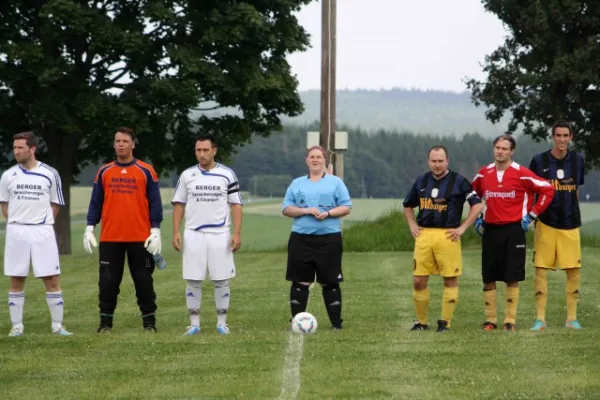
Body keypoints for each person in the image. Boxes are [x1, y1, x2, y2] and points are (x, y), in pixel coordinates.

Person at [84, 127, 163, 333]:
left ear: (133, 144)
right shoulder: (104, 171)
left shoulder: (146, 171)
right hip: (111, 237)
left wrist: (156, 230)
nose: (121, 144)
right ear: (114, 144)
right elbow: (95, 203)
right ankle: (105, 324)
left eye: (125, 141)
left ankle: (149, 323)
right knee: (108, 282)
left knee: (143, 280)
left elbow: (155, 203)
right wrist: (89, 227)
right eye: (117, 141)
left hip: (140, 238)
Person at [472, 134, 555, 331]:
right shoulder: (484, 173)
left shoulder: (522, 173)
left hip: (514, 230)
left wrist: (532, 214)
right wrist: (477, 216)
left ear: (512, 151)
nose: (500, 152)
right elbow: (472, 193)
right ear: (494, 149)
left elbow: (548, 189)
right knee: (489, 277)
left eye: (504, 149)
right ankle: (490, 320)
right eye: (497, 148)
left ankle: (510, 320)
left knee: (512, 276)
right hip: (490, 229)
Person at [403, 146, 483, 332]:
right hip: (424, 236)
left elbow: (477, 205)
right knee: (418, 280)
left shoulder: (459, 181)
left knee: (450, 280)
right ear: (428, 161)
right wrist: (412, 225)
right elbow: (407, 206)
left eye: (440, 161)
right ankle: (421, 322)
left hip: (448, 236)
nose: (437, 165)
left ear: (447, 161)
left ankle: (445, 322)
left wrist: (462, 227)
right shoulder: (421, 180)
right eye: (434, 161)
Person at [0, 132, 72, 337]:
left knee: (51, 277)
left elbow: (56, 204)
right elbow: (4, 204)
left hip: (43, 230)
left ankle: (58, 326)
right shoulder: (8, 175)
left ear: (32, 149)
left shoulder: (50, 173)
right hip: (16, 231)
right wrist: (16, 222)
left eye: (20, 148)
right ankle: (16, 326)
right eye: (14, 148)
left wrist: (42, 222)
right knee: (16, 277)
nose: (16, 151)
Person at [171, 134, 243, 336]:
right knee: (193, 279)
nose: (201, 154)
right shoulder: (187, 175)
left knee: (221, 280)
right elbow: (179, 204)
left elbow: (236, 204)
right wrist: (176, 231)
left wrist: (236, 232)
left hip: (220, 234)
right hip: (193, 233)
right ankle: (194, 324)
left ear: (214, 150)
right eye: (198, 150)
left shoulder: (227, 174)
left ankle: (222, 323)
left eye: (205, 150)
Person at [282, 145, 352, 330]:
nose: (315, 160)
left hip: (329, 239)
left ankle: (337, 324)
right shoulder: (296, 184)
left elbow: (346, 206)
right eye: (311, 157)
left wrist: (328, 213)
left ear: (324, 161)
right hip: (301, 239)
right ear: (307, 160)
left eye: (318, 157)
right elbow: (286, 208)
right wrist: (305, 210)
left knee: (330, 282)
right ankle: (297, 321)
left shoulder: (336, 183)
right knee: (300, 282)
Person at [528, 120, 585, 331]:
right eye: (558, 135)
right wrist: (532, 215)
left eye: (565, 136)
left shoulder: (578, 160)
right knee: (541, 270)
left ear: (571, 138)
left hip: (570, 225)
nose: (562, 140)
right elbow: (532, 191)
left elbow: (575, 189)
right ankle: (540, 320)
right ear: (552, 137)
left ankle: (572, 319)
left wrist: (575, 211)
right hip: (546, 222)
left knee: (573, 271)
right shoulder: (539, 160)